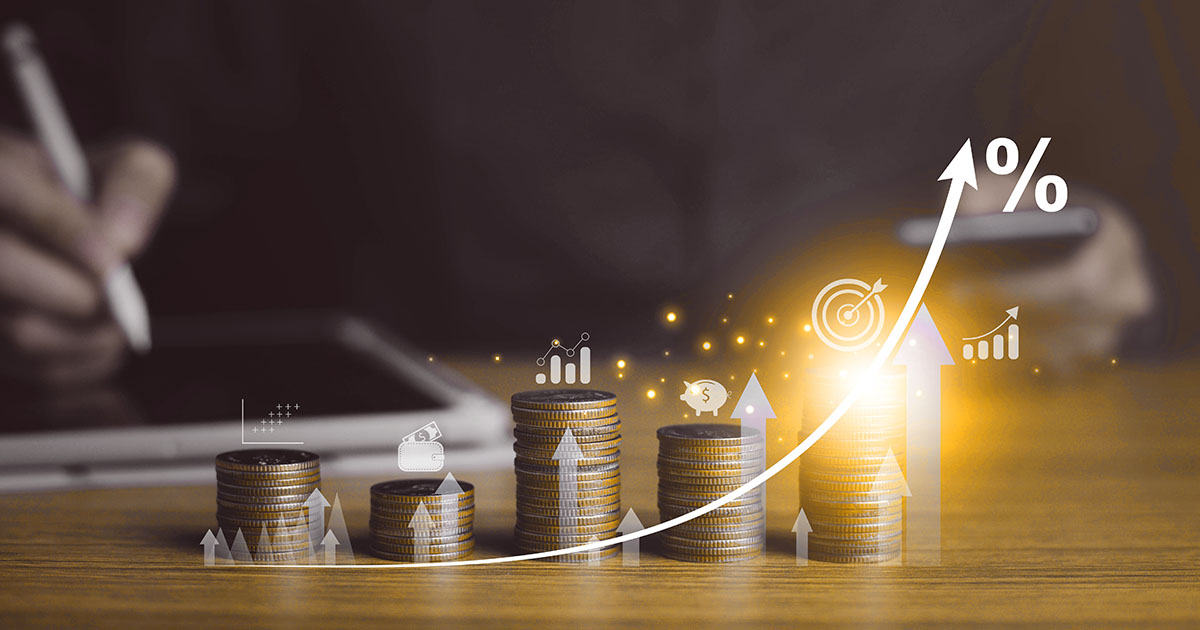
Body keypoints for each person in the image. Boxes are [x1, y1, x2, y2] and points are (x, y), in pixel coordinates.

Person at [0, 0, 1193, 386]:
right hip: (420, 478)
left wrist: (1104, 271)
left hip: (932, 443)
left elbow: (1147, 189)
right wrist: (54, 224)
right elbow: (114, 102)